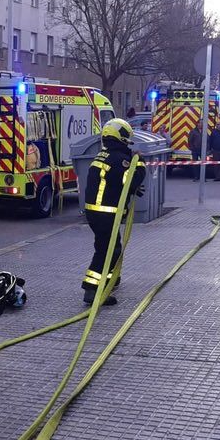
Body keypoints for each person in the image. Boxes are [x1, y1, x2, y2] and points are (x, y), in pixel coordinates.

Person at [81, 118, 145, 305]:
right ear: (121, 137)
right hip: (106, 213)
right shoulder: (121, 160)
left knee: (107, 247)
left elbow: (117, 182)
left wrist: (131, 188)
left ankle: (109, 280)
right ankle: (91, 289)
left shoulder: (102, 155)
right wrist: (139, 162)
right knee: (107, 251)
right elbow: (134, 178)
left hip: (95, 213)